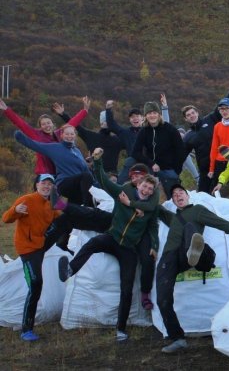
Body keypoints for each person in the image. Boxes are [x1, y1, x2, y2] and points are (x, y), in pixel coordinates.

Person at [57, 148, 160, 342]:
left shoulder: (150, 208)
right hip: (112, 238)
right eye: (144, 185)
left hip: (128, 248)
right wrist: (97, 162)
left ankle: (121, 329)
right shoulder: (123, 192)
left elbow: (153, 227)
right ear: (139, 184)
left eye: (149, 189)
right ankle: (70, 270)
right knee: (92, 244)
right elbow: (104, 181)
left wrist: (153, 244)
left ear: (152, 192)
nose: (145, 190)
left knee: (127, 287)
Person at [155, 183, 229, 353]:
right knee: (162, 297)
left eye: (180, 192)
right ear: (173, 201)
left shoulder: (197, 210)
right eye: (174, 195)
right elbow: (153, 207)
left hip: (187, 253)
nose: (177, 196)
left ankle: (194, 254)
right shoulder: (172, 217)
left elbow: (221, 223)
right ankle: (177, 338)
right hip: (170, 257)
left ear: (187, 196)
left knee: (190, 227)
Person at [2, 174, 62, 341]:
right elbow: (6, 218)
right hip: (27, 247)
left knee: (67, 218)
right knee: (36, 284)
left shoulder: (53, 201)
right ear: (37, 185)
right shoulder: (27, 199)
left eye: (50, 184)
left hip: (43, 243)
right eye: (43, 183)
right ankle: (26, 329)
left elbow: (67, 211)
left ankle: (64, 246)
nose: (46, 186)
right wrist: (15, 210)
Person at [0, 97, 89, 175]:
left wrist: (84, 111)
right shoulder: (36, 135)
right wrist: (7, 110)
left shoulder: (60, 134)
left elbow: (72, 122)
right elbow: (20, 123)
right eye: (43, 124)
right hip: (45, 173)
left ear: (52, 124)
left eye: (48, 123)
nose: (47, 126)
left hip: (59, 172)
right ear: (40, 127)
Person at [14, 127, 95, 206]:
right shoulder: (55, 147)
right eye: (67, 134)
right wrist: (19, 136)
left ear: (75, 135)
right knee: (86, 177)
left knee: (76, 211)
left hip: (77, 189)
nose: (69, 136)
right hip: (64, 185)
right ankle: (87, 207)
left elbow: (85, 170)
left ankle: (88, 210)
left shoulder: (77, 151)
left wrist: (97, 185)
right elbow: (36, 145)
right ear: (62, 135)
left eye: (72, 134)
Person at [131, 101, 185, 197]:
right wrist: (151, 163)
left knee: (173, 196)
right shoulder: (143, 131)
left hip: (169, 169)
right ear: (145, 116)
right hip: (151, 169)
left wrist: (177, 170)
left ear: (159, 114)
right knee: (145, 194)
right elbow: (135, 152)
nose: (152, 116)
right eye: (149, 113)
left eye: (155, 113)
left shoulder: (170, 129)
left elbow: (180, 150)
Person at [55, 104, 124, 174]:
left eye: (109, 121)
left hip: (112, 177)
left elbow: (132, 143)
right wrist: (63, 114)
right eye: (104, 121)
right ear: (101, 123)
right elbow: (76, 126)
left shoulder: (118, 140)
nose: (106, 123)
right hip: (94, 175)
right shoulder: (91, 136)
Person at [105, 100, 145, 184]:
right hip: (132, 164)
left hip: (147, 163)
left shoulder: (149, 131)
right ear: (130, 120)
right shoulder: (126, 133)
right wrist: (108, 109)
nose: (135, 118)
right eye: (132, 117)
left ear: (143, 118)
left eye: (137, 116)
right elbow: (112, 125)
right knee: (119, 183)